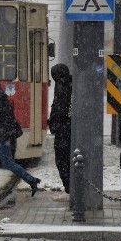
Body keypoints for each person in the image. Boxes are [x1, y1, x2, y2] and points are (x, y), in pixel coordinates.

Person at [0, 77, 41, 198]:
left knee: (8, 162)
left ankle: (31, 180)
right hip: (2, 134)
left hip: (1, 135)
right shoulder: (2, 96)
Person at [48, 63, 72, 193]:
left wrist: (56, 122)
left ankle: (69, 186)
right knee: (64, 160)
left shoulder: (62, 87)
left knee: (62, 160)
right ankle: (69, 185)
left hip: (63, 130)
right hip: (65, 129)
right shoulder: (68, 84)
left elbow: (61, 110)